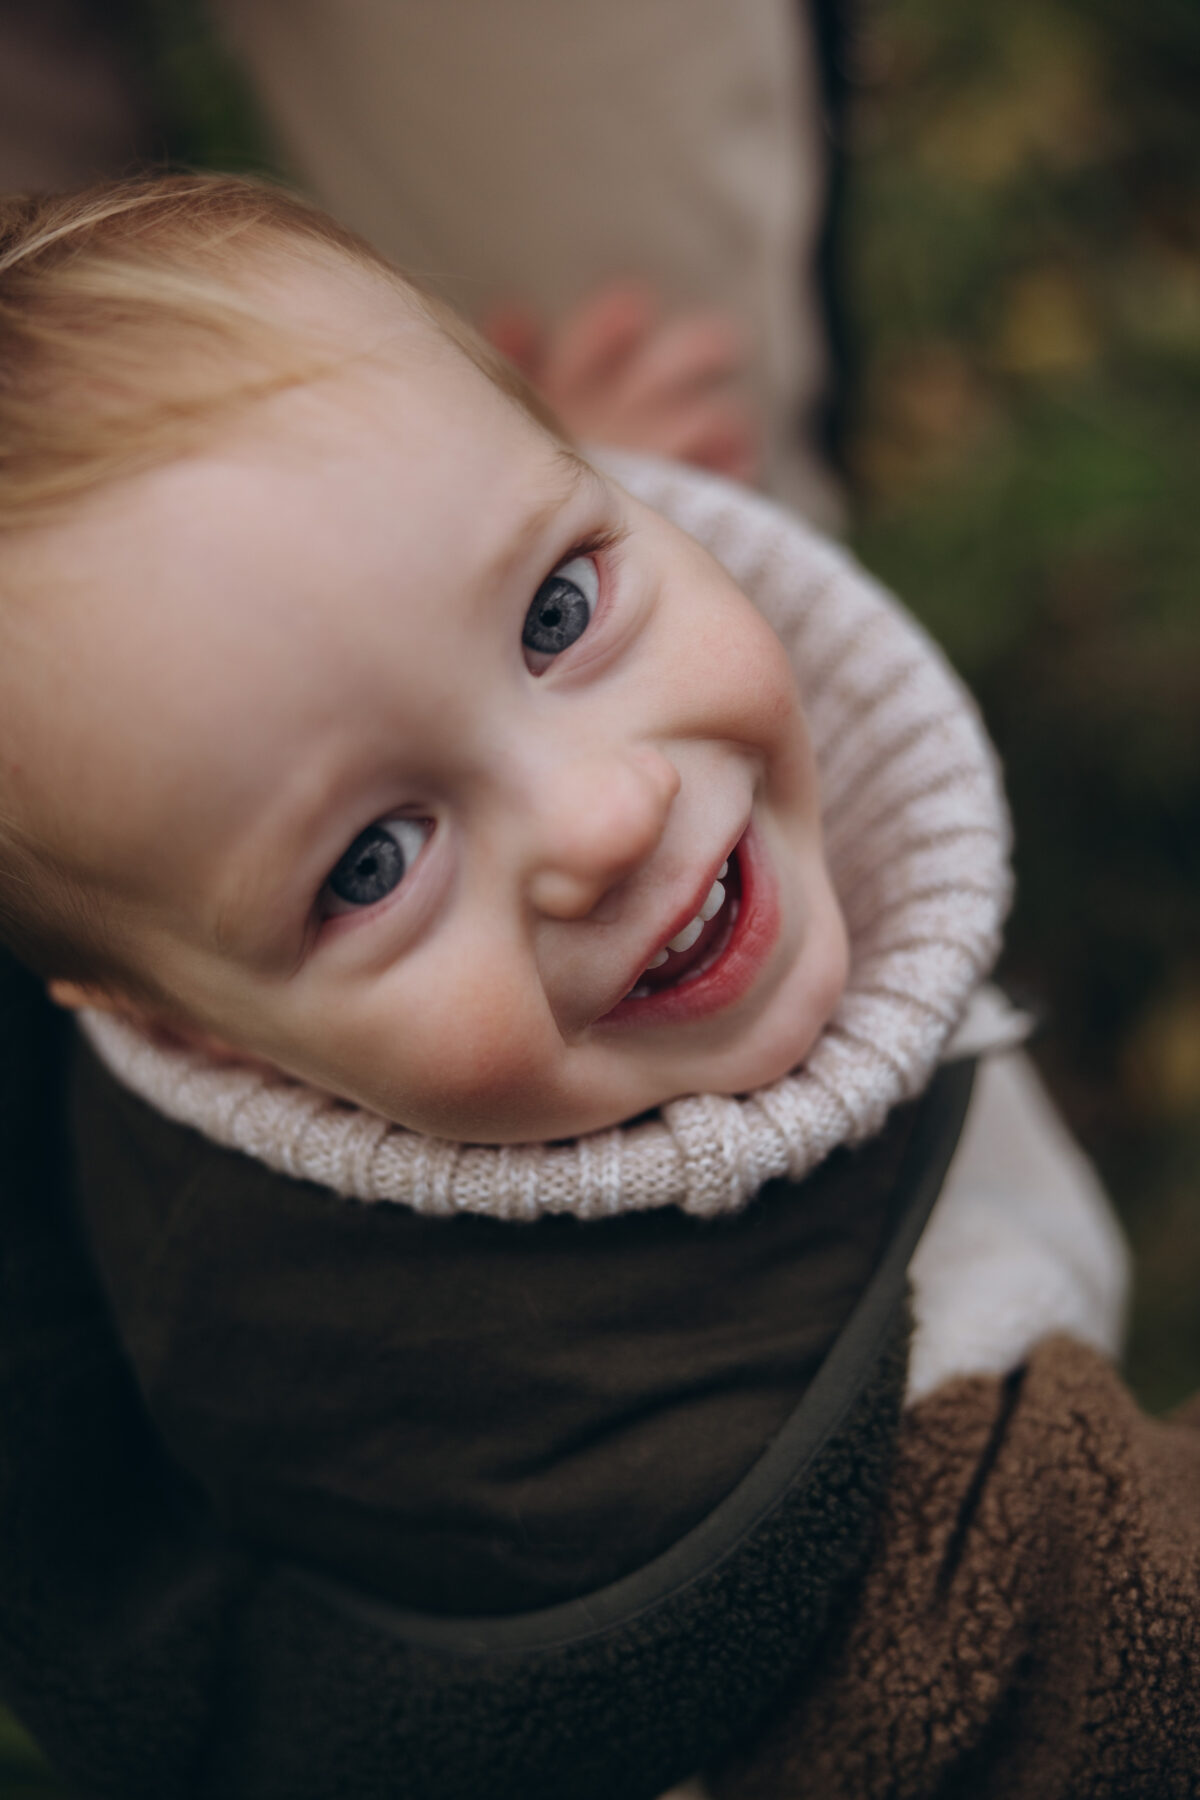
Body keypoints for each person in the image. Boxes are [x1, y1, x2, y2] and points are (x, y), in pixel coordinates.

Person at [0, 173, 1193, 1800]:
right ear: (173, 1025)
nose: (604, 817)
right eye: (373, 863)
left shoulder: (185, 907)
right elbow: (1132, 1666)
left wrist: (586, 466)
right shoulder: (762, 1495)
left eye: (556, 605)